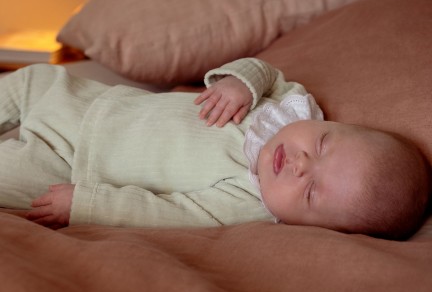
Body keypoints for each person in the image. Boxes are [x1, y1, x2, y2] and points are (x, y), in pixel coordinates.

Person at [0, 58, 430, 239]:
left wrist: (88, 204)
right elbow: (265, 69)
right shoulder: (291, 106)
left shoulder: (248, 201)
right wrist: (241, 81)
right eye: (322, 144)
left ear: (308, 226)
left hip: (76, 167)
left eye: (312, 192)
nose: (299, 164)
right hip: (92, 103)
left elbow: (168, 214)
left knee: (12, 182)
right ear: (331, 123)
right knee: (32, 78)